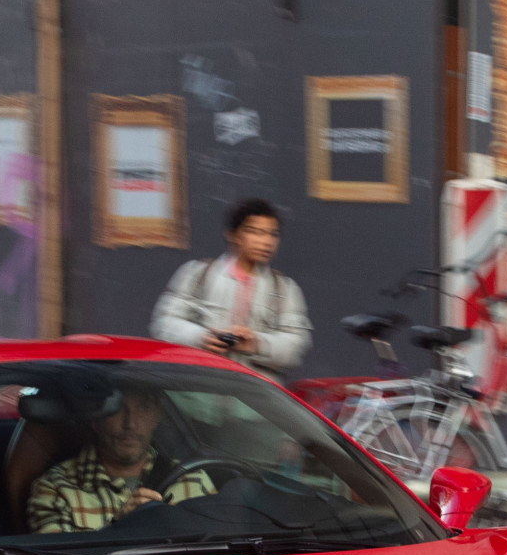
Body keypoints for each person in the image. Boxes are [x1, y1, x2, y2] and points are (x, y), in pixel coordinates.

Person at [26, 382, 216, 533]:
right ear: (96, 418)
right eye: (117, 409)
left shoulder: (192, 479)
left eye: (143, 408)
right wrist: (118, 527)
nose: (130, 423)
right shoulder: (55, 488)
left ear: (156, 417)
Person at [150, 198, 311, 375]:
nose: (266, 241)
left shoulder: (285, 289)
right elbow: (163, 323)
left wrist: (256, 344)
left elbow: (297, 346)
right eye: (255, 232)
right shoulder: (197, 274)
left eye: (273, 234)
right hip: (198, 390)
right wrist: (200, 338)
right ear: (232, 234)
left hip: (254, 395)